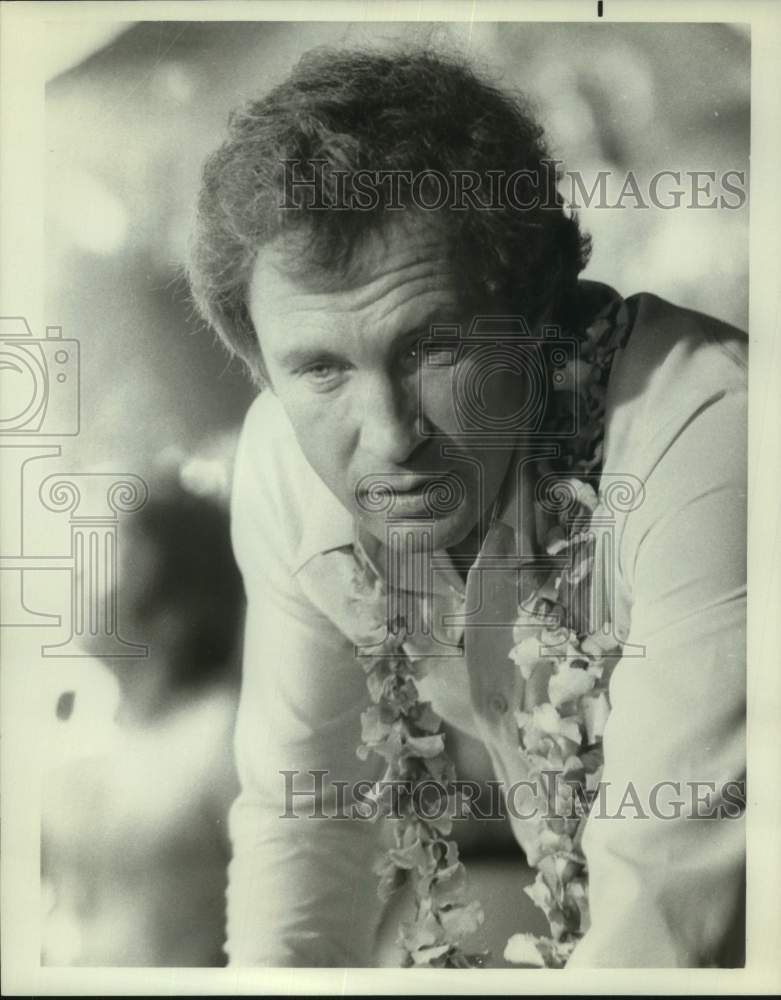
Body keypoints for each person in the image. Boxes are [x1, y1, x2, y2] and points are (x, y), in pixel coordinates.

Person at [187, 48, 746, 968]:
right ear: (261, 369)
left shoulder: (717, 428)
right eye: (320, 367)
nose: (388, 436)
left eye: (431, 349)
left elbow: (663, 916)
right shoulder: (283, 460)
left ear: (535, 308)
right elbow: (308, 820)